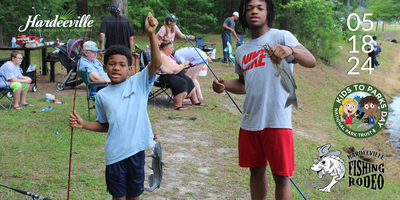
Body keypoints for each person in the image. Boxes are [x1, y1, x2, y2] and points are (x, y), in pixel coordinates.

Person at [212, 0, 316, 199]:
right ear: (243, 13)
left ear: (268, 12)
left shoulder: (282, 36)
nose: (254, 12)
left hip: (277, 120)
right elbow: (244, 84)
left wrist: (291, 50)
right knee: (256, 172)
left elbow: (311, 61)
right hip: (250, 121)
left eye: (260, 8)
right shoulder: (242, 50)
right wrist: (224, 85)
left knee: (281, 177)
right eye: (249, 8)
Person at [69, 12, 161, 200]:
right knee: (118, 197)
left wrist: (152, 33)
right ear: (104, 67)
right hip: (114, 157)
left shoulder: (139, 82)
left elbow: (157, 63)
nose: (116, 67)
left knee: (134, 196)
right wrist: (83, 124)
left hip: (136, 154)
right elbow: (106, 125)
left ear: (129, 67)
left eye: (121, 64)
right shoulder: (102, 95)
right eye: (111, 64)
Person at [158, 41, 203, 111]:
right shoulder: (162, 57)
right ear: (165, 48)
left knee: (189, 80)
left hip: (172, 75)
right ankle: (178, 105)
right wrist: (184, 64)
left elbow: (176, 68)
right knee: (181, 82)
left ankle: (194, 101)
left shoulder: (168, 56)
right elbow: (172, 70)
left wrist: (183, 68)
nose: (173, 49)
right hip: (163, 77)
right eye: (171, 47)